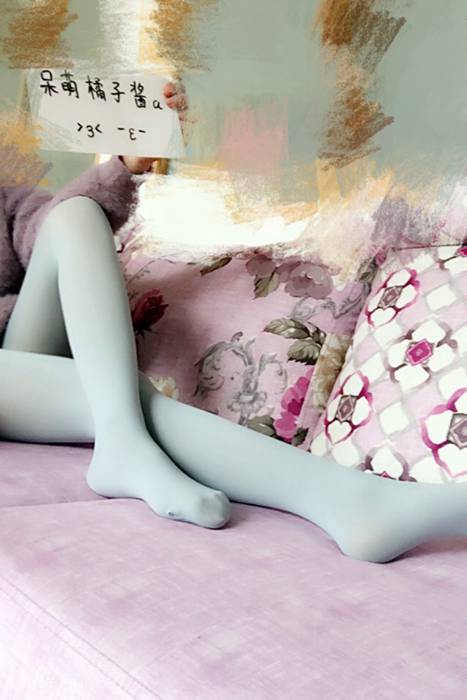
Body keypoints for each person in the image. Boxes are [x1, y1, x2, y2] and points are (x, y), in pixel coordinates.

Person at [2, 85, 467, 565]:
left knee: (75, 215)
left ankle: (121, 437)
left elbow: (49, 237)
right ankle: (352, 501)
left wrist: (123, 165)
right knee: (105, 391)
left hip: (23, 359)